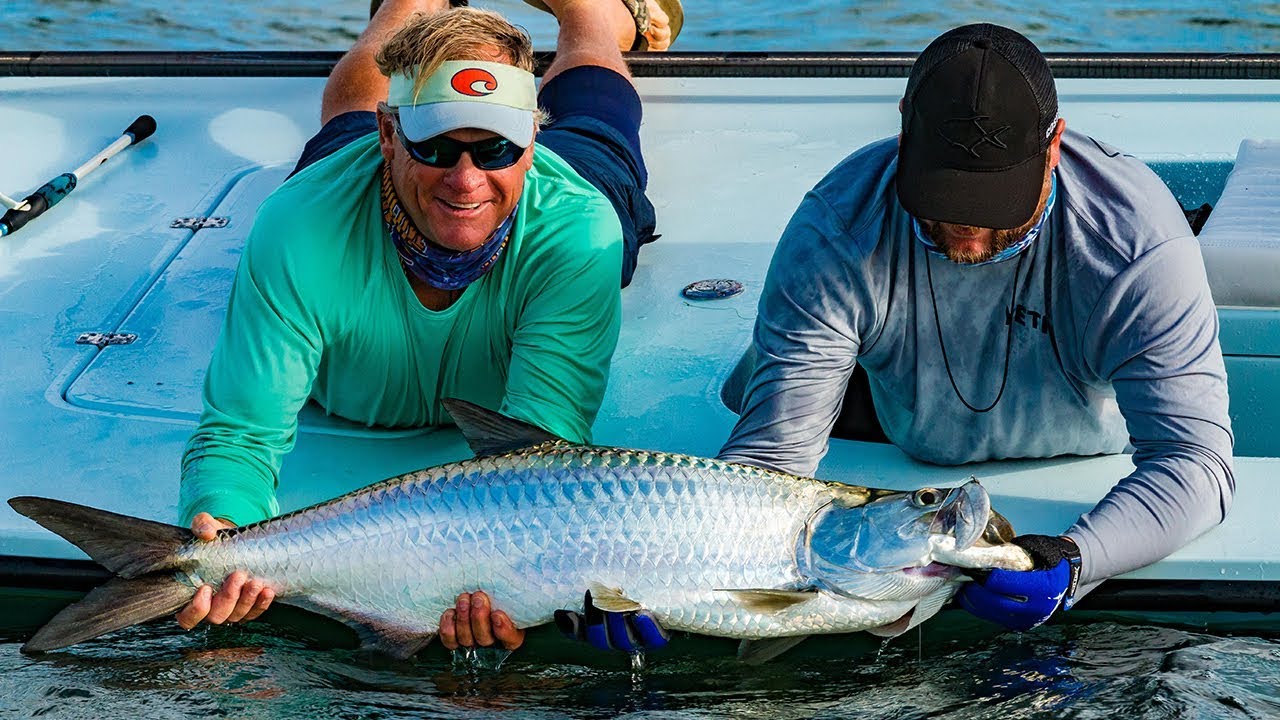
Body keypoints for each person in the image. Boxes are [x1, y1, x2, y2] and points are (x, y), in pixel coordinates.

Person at [173, 0, 682, 654]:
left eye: (495, 147)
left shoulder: (578, 231)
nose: (466, 180)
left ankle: (592, 15)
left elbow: (540, 461)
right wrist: (224, 526)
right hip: (355, 185)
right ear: (390, 137)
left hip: (562, 199)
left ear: (531, 140)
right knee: (346, 114)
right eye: (437, 145)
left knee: (601, 121)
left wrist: (496, 581)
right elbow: (239, 433)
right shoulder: (300, 226)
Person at [712, 22, 1234, 635]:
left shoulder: (1138, 247)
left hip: (1084, 427)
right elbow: (771, 468)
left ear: (1055, 144)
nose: (968, 226)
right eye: (945, 191)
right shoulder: (835, 229)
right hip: (883, 407)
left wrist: (1071, 560)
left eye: (994, 200)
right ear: (904, 126)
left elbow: (1195, 462)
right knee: (747, 396)